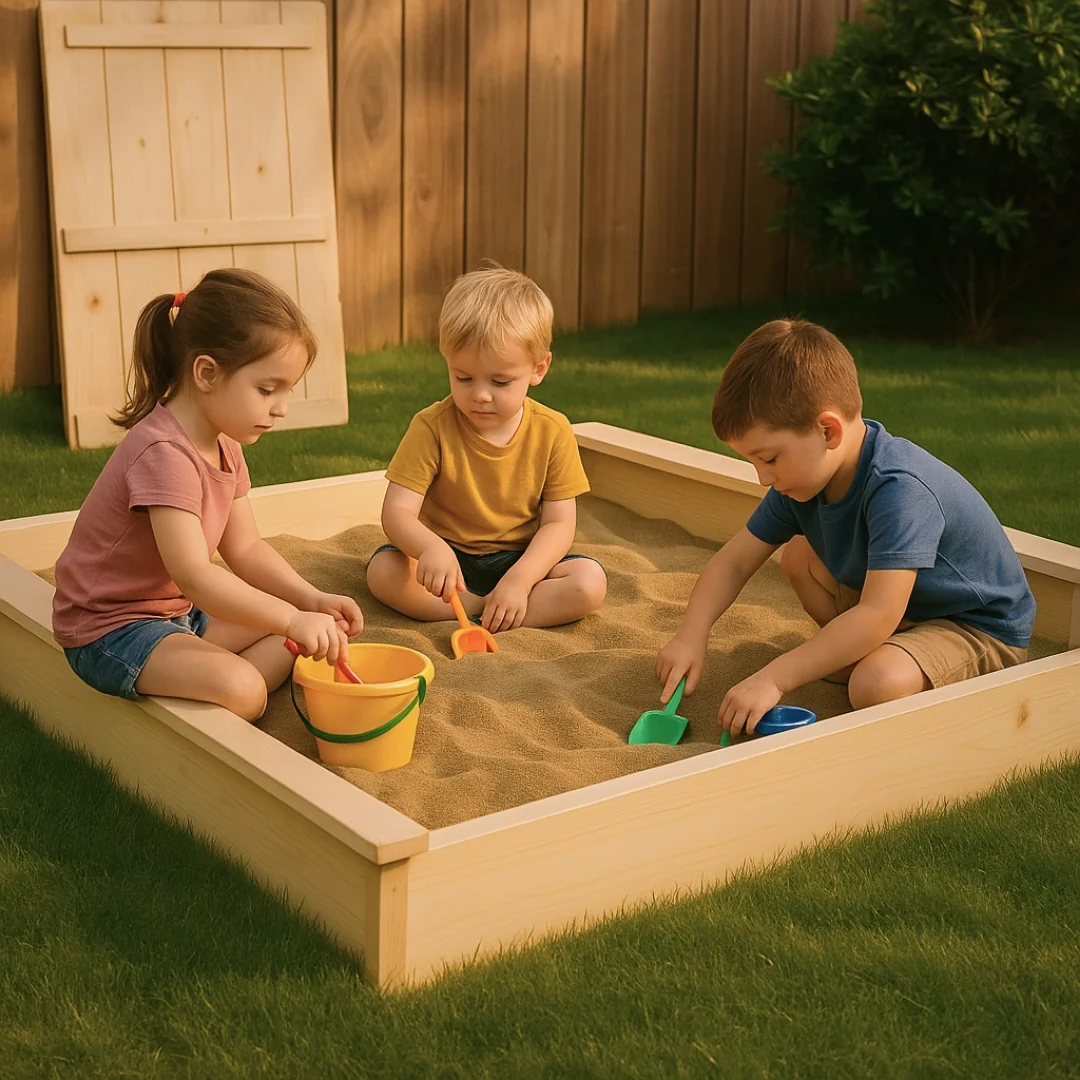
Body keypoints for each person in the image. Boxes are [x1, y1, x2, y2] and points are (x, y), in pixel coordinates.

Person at [657, 318, 1034, 740]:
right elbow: (734, 560)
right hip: (903, 610)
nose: (763, 478)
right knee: (799, 556)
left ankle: (876, 658)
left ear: (827, 430)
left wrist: (774, 678)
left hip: (973, 626)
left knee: (873, 684)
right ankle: (866, 652)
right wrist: (692, 634)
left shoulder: (900, 489)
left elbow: (877, 614)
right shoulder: (800, 483)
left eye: (769, 459)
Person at [52, 269, 363, 721]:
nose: (281, 408)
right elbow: (196, 575)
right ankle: (228, 686)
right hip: (111, 630)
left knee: (307, 632)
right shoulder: (164, 453)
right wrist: (291, 617)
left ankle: (212, 677)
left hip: (180, 616)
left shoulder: (225, 442)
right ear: (206, 373)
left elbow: (247, 548)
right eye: (266, 389)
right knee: (247, 686)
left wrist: (309, 601)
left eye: (287, 390)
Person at [368, 265, 607, 632]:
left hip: (520, 558)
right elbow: (397, 512)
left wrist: (521, 580)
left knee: (589, 582)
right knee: (383, 572)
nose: (479, 394)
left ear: (538, 368)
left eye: (499, 381)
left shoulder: (553, 431)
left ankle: (499, 606)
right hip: (446, 561)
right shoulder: (431, 426)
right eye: (463, 377)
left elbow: (559, 524)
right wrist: (430, 548)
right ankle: (486, 610)